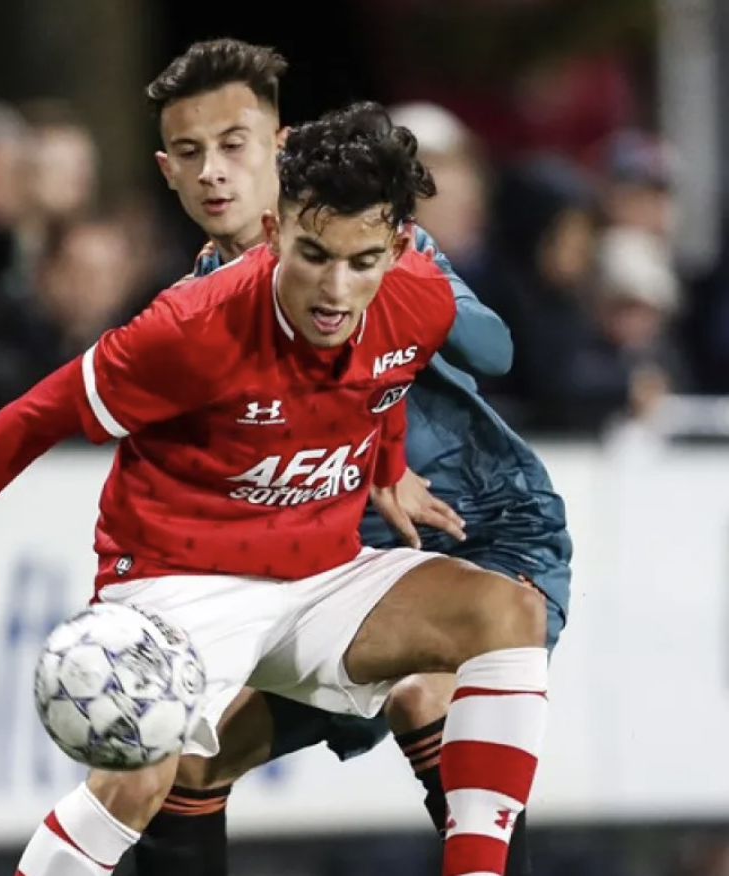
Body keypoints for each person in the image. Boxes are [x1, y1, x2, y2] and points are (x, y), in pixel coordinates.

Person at [0, 101, 549, 876]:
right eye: (313, 254)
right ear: (273, 231)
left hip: (319, 577)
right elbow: (30, 418)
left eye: (362, 261)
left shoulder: (420, 297)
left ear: (400, 248)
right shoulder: (192, 327)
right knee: (137, 782)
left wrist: (387, 469)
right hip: (178, 582)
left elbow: (382, 381)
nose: (336, 289)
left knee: (508, 611)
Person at [122, 39, 570, 876]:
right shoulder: (194, 306)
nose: (215, 173)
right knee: (191, 764)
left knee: (428, 695)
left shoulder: (378, 243)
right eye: (192, 153)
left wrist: (393, 270)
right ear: (168, 171)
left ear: (280, 150)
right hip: (347, 565)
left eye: (235, 146)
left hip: (484, 529)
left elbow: (495, 351)